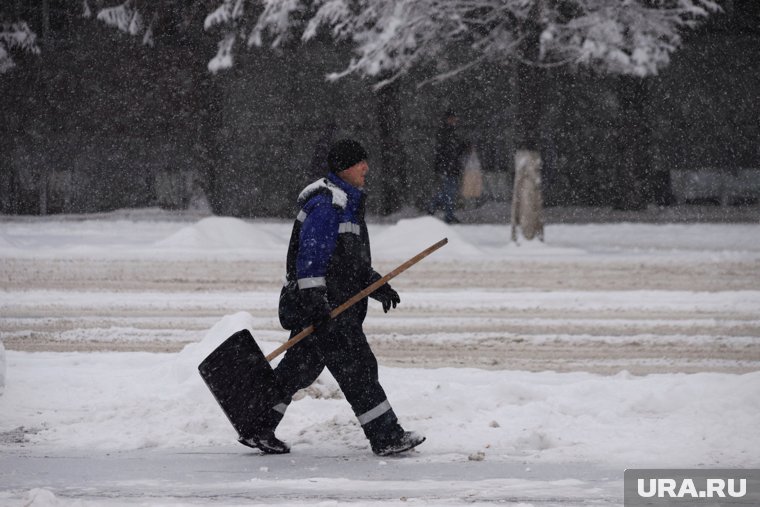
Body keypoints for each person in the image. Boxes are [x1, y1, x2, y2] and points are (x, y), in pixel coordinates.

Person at [240, 139, 425, 456]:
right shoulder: (328, 206)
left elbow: (348, 263)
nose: (366, 168)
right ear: (344, 168)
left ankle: (256, 426)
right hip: (330, 310)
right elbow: (310, 260)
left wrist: (376, 285)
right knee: (359, 369)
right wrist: (316, 305)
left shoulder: (347, 204)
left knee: (299, 368)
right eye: (360, 163)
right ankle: (386, 437)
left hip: (337, 306)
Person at [427, 110, 466, 223]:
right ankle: (444, 214)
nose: (455, 121)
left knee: (448, 192)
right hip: (448, 166)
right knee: (449, 192)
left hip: (448, 166)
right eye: (453, 118)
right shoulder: (446, 133)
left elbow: (450, 149)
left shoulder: (448, 132)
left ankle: (437, 210)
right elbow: (449, 150)